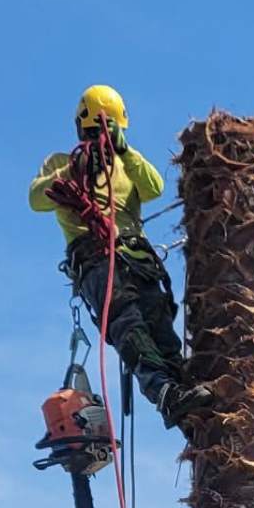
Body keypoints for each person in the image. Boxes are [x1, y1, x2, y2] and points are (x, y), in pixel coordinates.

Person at [29, 84, 208, 427]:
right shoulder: (61, 163)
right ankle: (163, 390)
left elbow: (154, 187)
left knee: (160, 326)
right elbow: (36, 198)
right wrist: (73, 169)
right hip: (95, 258)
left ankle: (181, 390)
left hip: (136, 257)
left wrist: (125, 152)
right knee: (128, 324)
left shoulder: (126, 164)